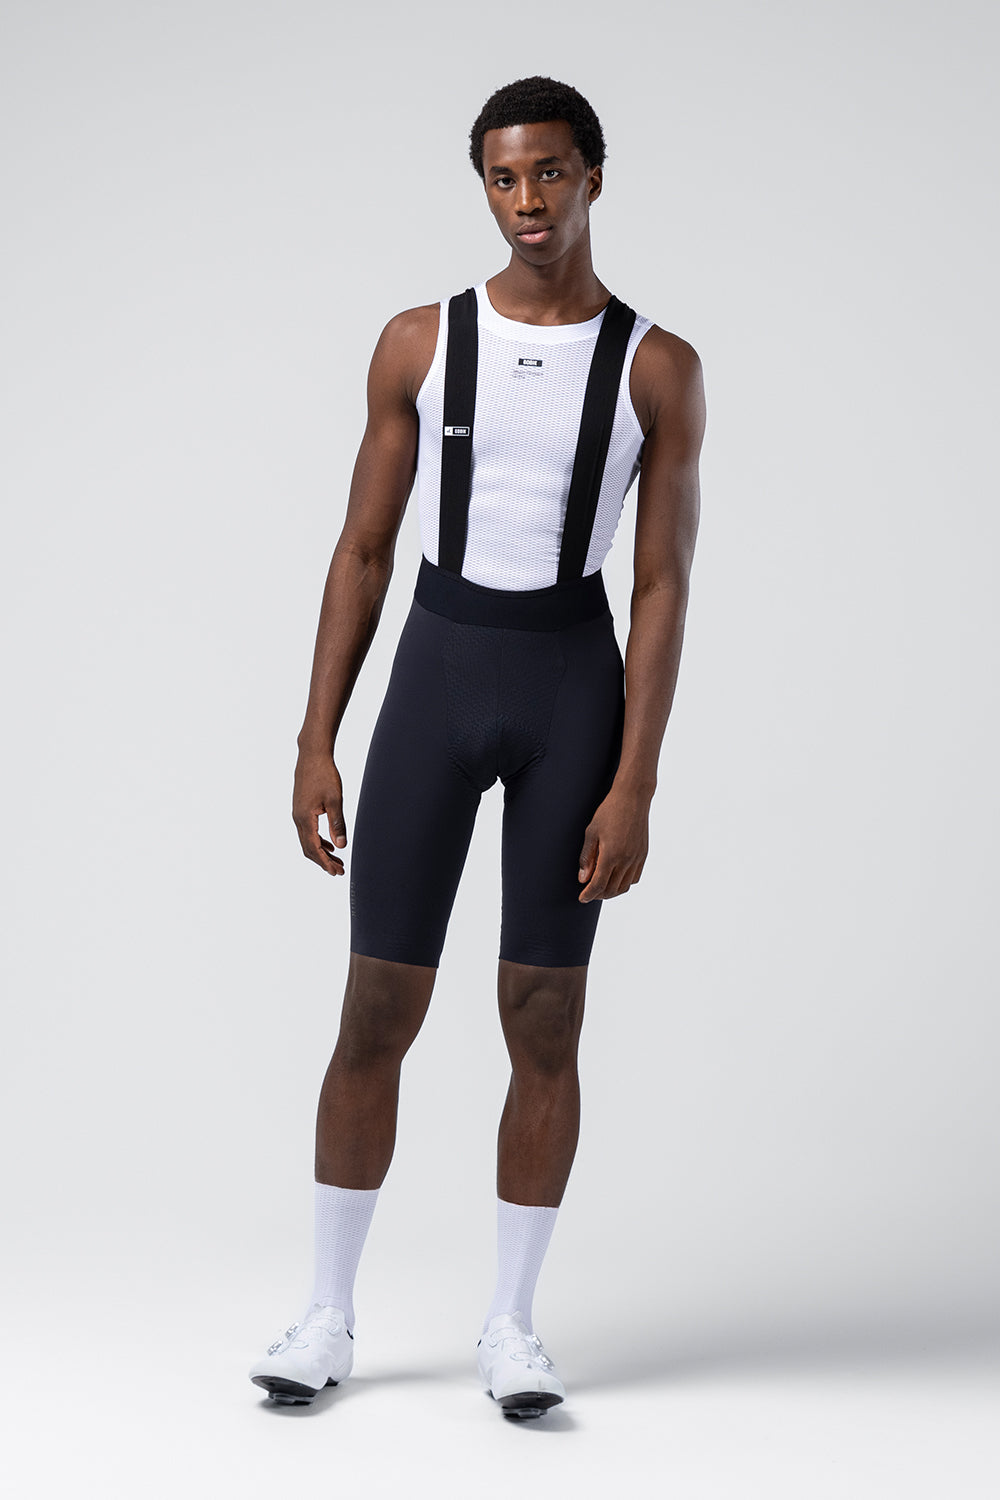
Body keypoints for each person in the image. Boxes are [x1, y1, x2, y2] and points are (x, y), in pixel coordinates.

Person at [249, 74, 705, 1419]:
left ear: (593, 178)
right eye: (505, 177)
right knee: (375, 1008)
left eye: (550, 172)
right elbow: (364, 550)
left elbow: (663, 585)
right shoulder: (420, 342)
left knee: (544, 1016)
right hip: (437, 677)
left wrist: (636, 778)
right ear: (486, 189)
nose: (528, 199)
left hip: (572, 687)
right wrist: (316, 739)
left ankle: (512, 1326)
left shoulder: (657, 366)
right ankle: (326, 1315)